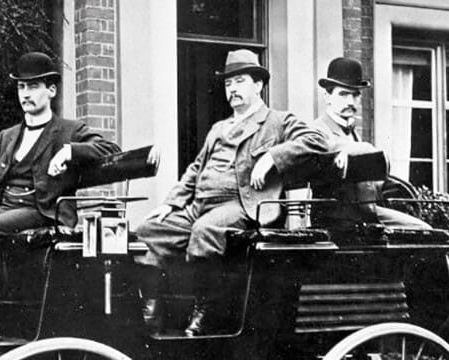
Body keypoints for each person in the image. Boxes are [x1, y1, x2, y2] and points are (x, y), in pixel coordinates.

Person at [0, 52, 121, 342]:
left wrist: (71, 151)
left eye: (33, 86)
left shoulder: (69, 131)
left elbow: (110, 150)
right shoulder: (8, 135)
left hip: (41, 211)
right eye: (21, 87)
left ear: (51, 91)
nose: (25, 94)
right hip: (3, 210)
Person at [135, 49, 324, 336]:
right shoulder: (218, 128)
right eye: (228, 84)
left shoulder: (277, 121)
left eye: (240, 81)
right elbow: (195, 170)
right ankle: (152, 313)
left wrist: (273, 157)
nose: (232, 89)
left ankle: (205, 314)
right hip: (198, 205)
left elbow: (316, 141)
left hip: (241, 205)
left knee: (205, 231)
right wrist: (170, 204)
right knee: (150, 230)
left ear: (258, 85)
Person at [311, 56, 449, 329]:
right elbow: (332, 158)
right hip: (342, 219)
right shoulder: (317, 132)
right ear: (328, 97)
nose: (350, 102)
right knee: (422, 234)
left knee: (425, 234)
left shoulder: (352, 133)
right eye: (342, 94)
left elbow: (370, 174)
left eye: (355, 95)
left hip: (366, 213)